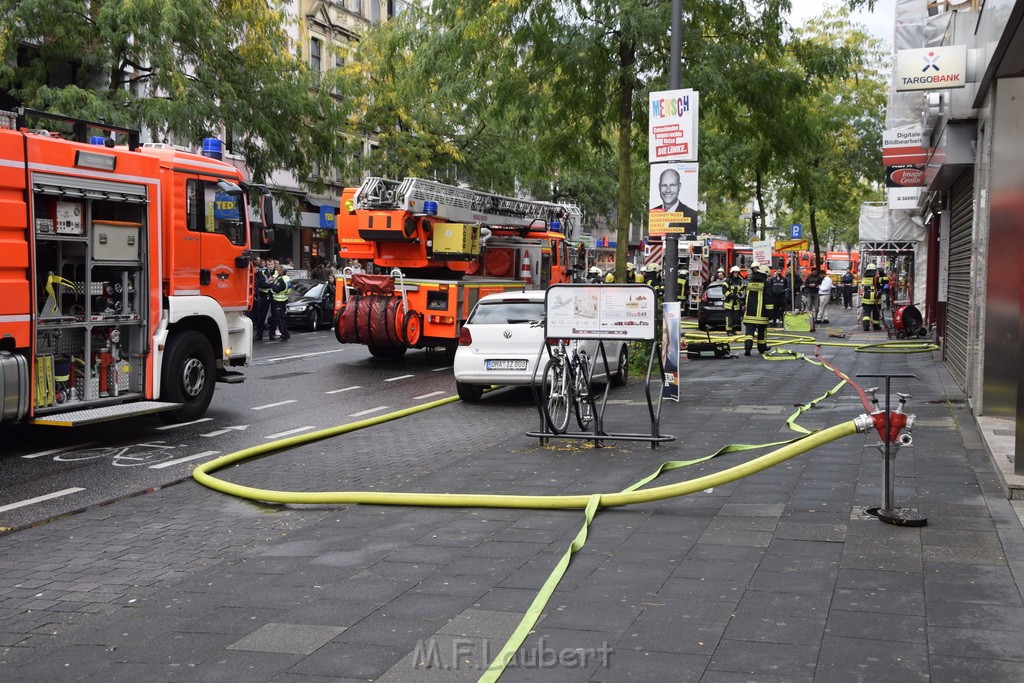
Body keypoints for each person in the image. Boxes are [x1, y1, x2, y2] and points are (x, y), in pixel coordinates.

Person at [651, 168, 699, 233]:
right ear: (659, 187)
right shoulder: (653, 213)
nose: (668, 190)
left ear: (679, 186)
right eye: (664, 185)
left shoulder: (692, 215)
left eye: (672, 185)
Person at [742, 262, 773, 356]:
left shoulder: (750, 283)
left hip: (749, 313)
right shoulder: (766, 284)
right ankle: (762, 349)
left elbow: (745, 297)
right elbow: (769, 299)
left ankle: (747, 349)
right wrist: (770, 313)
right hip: (761, 314)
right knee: (762, 332)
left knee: (749, 332)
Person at [269, 263, 292, 341]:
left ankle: (285, 334)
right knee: (280, 318)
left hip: (279, 301)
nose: (277, 270)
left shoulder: (281, 279)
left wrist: (271, 283)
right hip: (283, 299)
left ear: (282, 271)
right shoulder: (286, 278)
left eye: (278, 269)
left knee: (280, 319)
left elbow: (277, 289)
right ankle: (285, 334)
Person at [253, 258, 273, 341]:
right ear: (266, 265)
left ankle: (272, 335)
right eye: (269, 264)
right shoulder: (262, 272)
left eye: (272, 264)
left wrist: (269, 283)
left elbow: (277, 283)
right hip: (264, 295)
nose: (270, 266)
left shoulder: (276, 272)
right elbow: (262, 284)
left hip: (273, 295)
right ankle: (259, 335)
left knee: (274, 316)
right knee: (262, 316)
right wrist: (270, 283)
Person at [723, 265, 745, 335]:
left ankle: (733, 329)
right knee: (729, 318)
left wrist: (739, 295)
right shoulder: (727, 281)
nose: (736, 274)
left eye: (737, 272)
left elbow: (742, 290)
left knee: (736, 318)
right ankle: (729, 331)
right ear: (732, 273)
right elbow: (724, 291)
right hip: (729, 303)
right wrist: (731, 296)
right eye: (735, 272)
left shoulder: (740, 281)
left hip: (737, 303)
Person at [860, 263, 882, 331]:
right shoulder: (876, 277)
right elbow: (881, 284)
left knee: (866, 312)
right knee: (876, 312)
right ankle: (876, 326)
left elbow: (863, 286)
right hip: (875, 296)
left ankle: (866, 326)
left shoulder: (864, 277)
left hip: (866, 295)